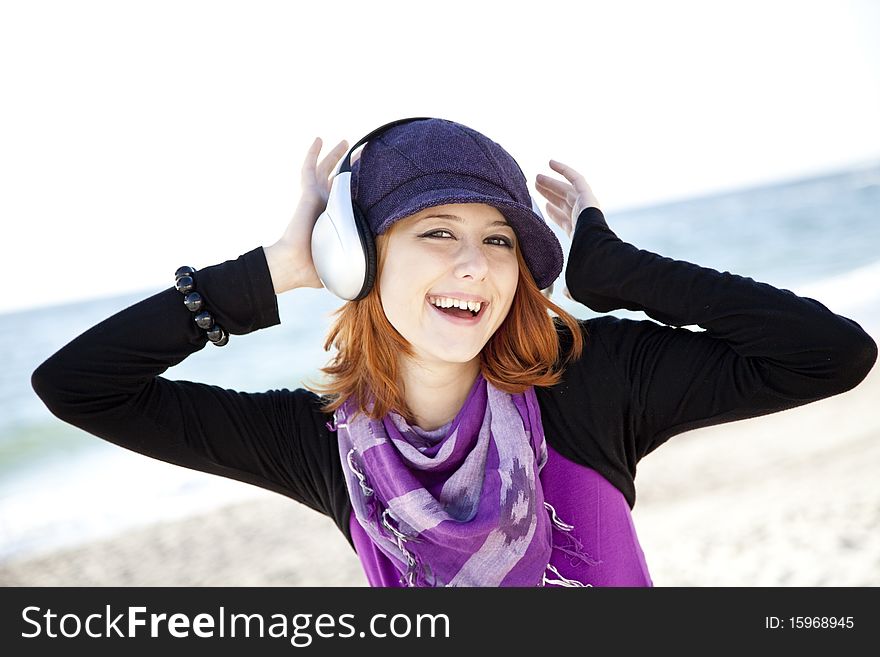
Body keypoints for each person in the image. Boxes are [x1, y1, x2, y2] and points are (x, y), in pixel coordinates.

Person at [31, 118, 878, 587]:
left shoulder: (592, 382)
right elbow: (77, 385)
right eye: (436, 231)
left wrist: (617, 270)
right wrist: (274, 272)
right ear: (360, 259)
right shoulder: (324, 446)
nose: (473, 262)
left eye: (500, 239)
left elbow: (830, 355)